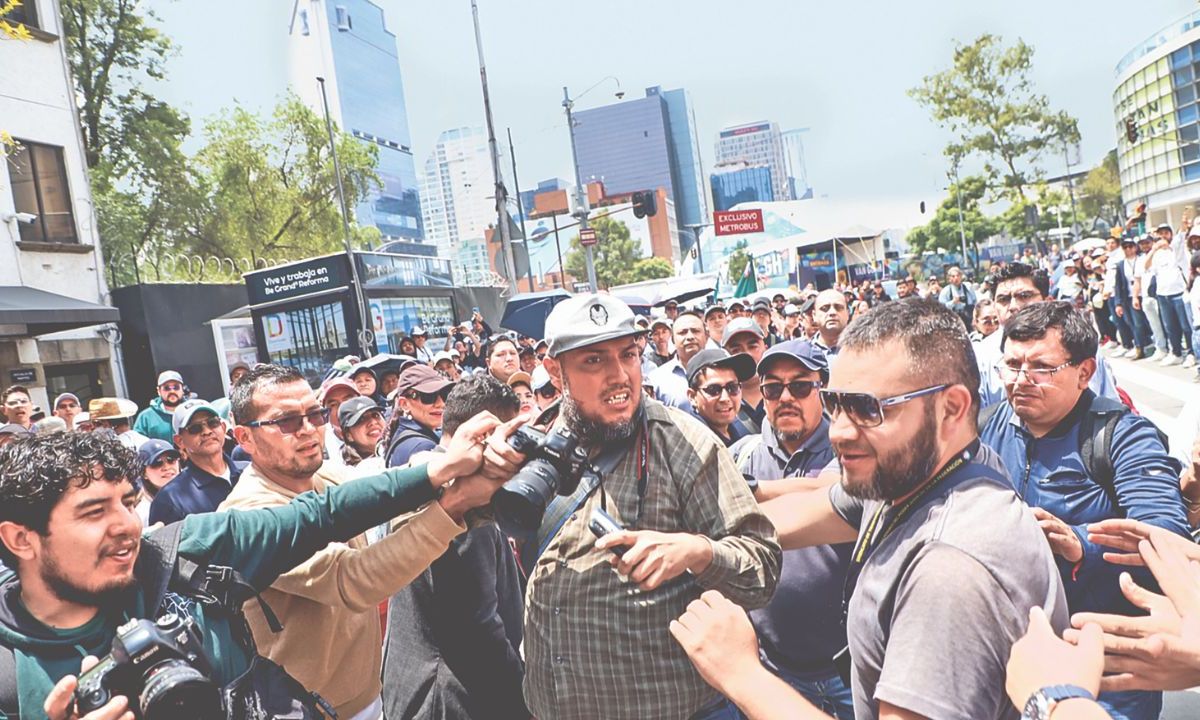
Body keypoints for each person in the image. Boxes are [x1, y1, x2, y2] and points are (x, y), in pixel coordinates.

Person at [0, 397, 510, 720]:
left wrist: (441, 475)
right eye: (93, 512)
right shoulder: (9, 675)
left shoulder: (183, 552)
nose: (126, 527)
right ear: (21, 539)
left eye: (128, 504)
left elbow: (320, 516)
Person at [754, 299, 1068, 720]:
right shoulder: (915, 473)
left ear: (951, 408)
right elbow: (799, 514)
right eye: (835, 404)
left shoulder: (948, 570)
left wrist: (740, 673)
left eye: (868, 408)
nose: (840, 431)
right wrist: (698, 541)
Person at [523, 293, 780, 720]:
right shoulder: (534, 443)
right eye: (594, 361)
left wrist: (697, 552)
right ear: (554, 369)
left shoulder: (683, 444)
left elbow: (763, 567)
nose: (619, 375)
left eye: (629, 355)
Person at [217, 364, 518, 720]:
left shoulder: (324, 476)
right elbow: (352, 580)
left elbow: (389, 486)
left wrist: (451, 461)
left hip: (367, 697)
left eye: (314, 415)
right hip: (301, 709)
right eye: (286, 422)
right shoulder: (248, 514)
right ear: (244, 437)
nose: (308, 430)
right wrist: (456, 501)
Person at [978, 301, 1189, 720]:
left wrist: (1080, 544)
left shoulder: (1123, 436)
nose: (1021, 380)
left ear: (1085, 372)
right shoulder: (984, 427)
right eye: (1011, 365)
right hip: (1009, 655)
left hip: (1104, 666)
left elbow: (1166, 536)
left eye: (1041, 368)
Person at [712, 339, 854, 719]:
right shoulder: (744, 455)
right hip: (773, 667)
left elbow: (843, 490)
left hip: (847, 672)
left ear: (822, 389)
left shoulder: (850, 446)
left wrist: (751, 492)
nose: (786, 397)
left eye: (800, 386)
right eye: (773, 388)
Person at [382, 374, 530, 720]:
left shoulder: (427, 479)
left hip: (422, 685)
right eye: (512, 438)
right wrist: (523, 695)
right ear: (485, 433)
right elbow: (476, 628)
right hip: (450, 697)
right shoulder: (460, 499)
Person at [976, 262, 1119, 408]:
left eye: (1024, 296)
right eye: (1003, 299)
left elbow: (1110, 406)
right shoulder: (980, 356)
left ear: (1047, 301)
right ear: (994, 306)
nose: (1013, 306)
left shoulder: (1080, 344)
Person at [147, 399, 246, 526]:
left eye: (212, 423)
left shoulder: (252, 473)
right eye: (195, 428)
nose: (207, 431)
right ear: (179, 441)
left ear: (223, 427)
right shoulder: (169, 500)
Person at [685, 349, 755, 448]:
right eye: (713, 389)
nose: (725, 398)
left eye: (732, 387)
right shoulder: (691, 445)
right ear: (692, 397)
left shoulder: (737, 433)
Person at [385, 364, 452, 468]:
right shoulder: (422, 448)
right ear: (404, 404)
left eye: (444, 395)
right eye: (429, 397)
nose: (441, 404)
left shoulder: (405, 433)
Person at [1145, 224, 1190, 366]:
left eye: (1166, 233)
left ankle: (1191, 353)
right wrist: (1154, 249)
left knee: (1185, 326)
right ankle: (1176, 353)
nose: (1163, 236)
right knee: (1170, 326)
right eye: (1161, 234)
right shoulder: (1157, 254)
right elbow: (1146, 266)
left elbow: (1181, 234)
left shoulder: (1177, 249)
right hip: (1163, 295)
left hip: (1179, 293)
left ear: (1170, 234)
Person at [648, 311, 707, 411]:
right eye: (682, 332)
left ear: (706, 336)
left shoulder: (723, 370)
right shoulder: (656, 380)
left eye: (695, 331)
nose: (690, 337)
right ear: (673, 340)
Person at [722, 318, 768, 433]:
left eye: (753, 347)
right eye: (736, 350)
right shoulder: (722, 404)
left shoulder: (785, 393)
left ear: (765, 348)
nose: (747, 355)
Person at [1111, 237, 1154, 359]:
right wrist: (1118, 303)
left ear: (1135, 247)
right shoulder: (1120, 264)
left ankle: (1146, 345)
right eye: (1125, 247)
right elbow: (1118, 284)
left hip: (1142, 294)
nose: (1128, 249)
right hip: (1128, 297)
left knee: (1141, 322)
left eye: (1130, 246)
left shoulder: (1141, 260)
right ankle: (1140, 346)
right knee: (1133, 323)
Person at [132, 439, 181, 523]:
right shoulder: (143, 514)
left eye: (171, 459)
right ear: (144, 473)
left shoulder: (198, 491)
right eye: (157, 463)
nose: (166, 467)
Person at [133, 370, 187, 443]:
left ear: (182, 389)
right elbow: (138, 445)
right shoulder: (146, 417)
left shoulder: (193, 412)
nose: (172, 391)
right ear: (159, 391)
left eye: (176, 387)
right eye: (167, 388)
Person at [338, 396, 387, 468]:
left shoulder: (400, 447)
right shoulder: (346, 470)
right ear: (348, 435)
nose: (373, 422)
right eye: (361, 419)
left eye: (375, 415)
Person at [811, 289, 849, 356]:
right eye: (824, 308)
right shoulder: (802, 354)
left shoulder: (864, 350)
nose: (832, 312)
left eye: (838, 307)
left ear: (847, 313)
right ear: (814, 315)